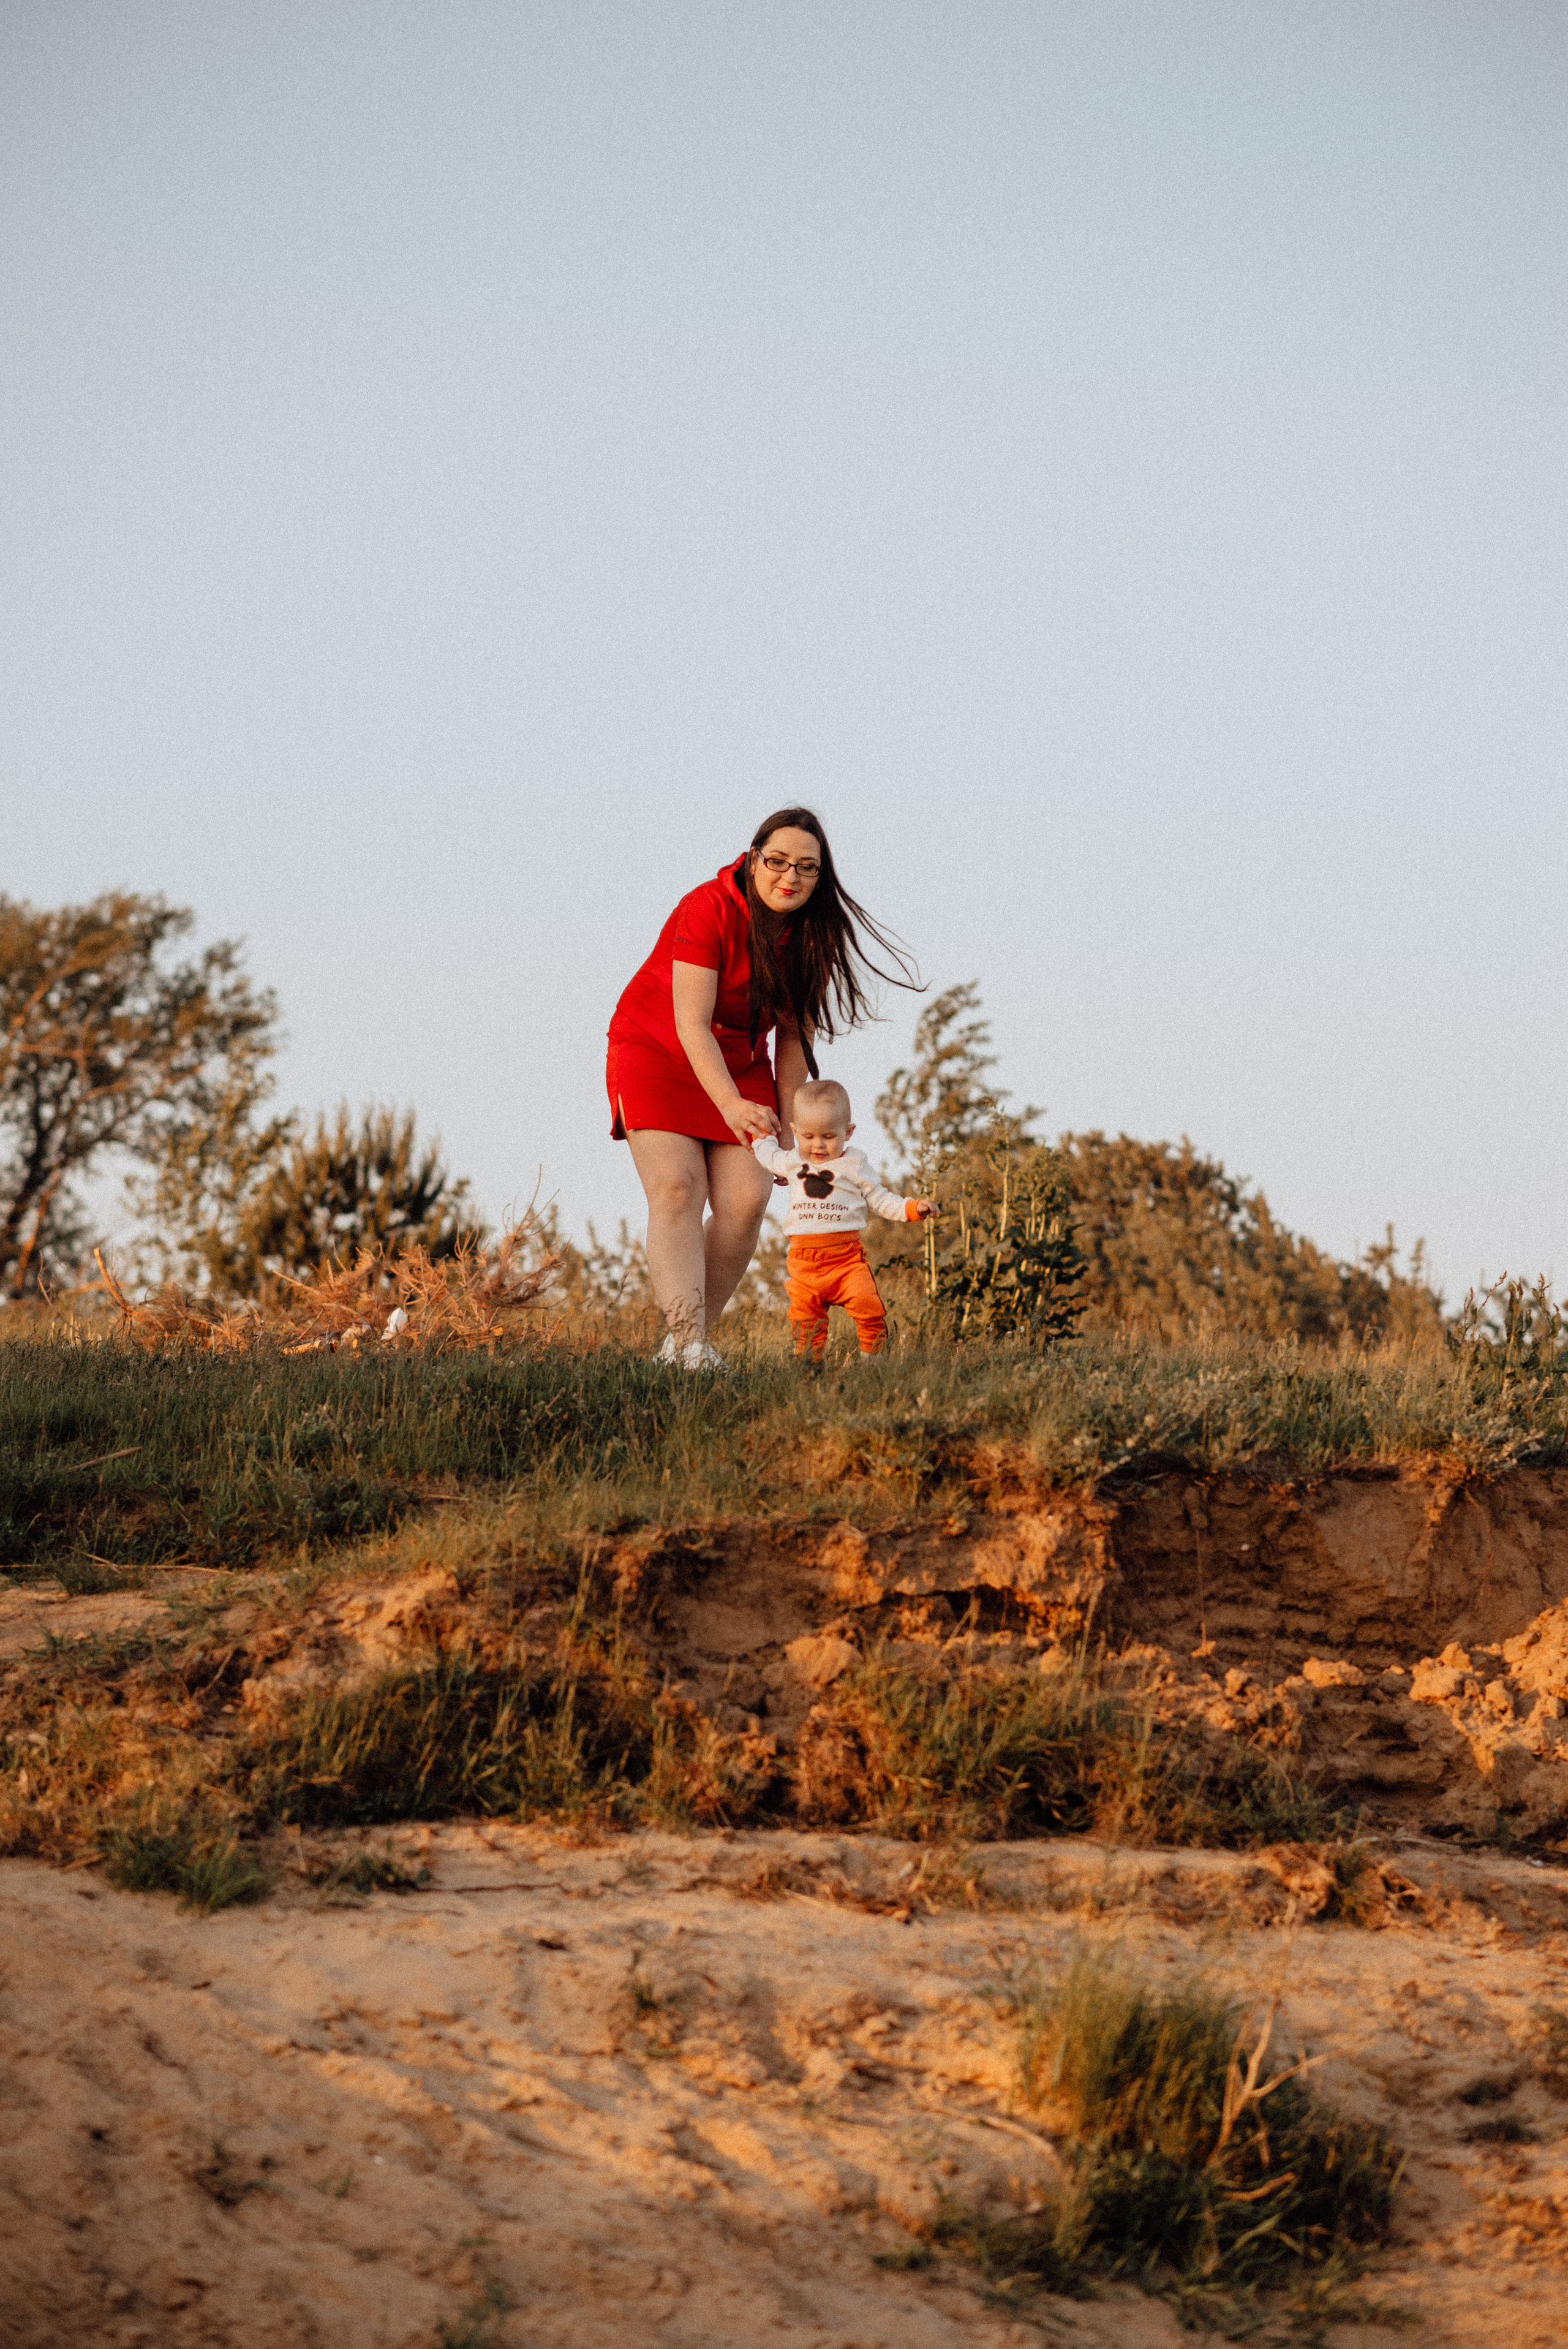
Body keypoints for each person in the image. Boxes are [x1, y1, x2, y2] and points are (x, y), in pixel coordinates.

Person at [606, 808, 916, 1366]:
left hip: (742, 1061)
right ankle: (689, 1344)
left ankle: (684, 1346)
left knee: (748, 1200)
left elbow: (793, 1042)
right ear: (753, 861)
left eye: (806, 868)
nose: (789, 877)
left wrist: (796, 1137)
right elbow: (691, 1023)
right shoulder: (707, 907)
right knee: (678, 1188)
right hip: (659, 1050)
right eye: (777, 862)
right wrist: (729, 1104)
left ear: (820, 878)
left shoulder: (811, 939)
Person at [751, 1078, 935, 1361]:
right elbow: (768, 1155)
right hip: (803, 1262)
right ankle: (808, 1371)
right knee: (805, 1322)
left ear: (848, 1132)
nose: (818, 1145)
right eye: (809, 1136)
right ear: (795, 1132)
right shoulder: (792, 1160)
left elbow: (880, 1199)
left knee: (868, 1305)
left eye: (829, 1136)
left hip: (846, 1260)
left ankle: (872, 1364)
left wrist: (912, 1209)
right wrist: (763, 1133)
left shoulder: (855, 1163)